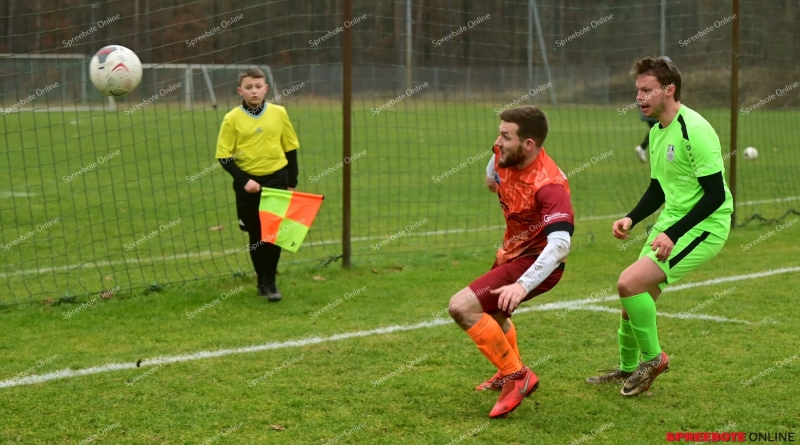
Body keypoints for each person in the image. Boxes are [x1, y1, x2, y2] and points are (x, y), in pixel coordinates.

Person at [586, 57, 733, 396]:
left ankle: (654, 360)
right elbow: (657, 188)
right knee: (633, 300)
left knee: (628, 283)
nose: (639, 97)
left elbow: (714, 196)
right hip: (671, 223)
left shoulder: (694, 130)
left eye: (647, 90)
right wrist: (631, 218)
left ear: (669, 90)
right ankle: (628, 369)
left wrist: (673, 234)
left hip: (704, 227)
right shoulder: (655, 132)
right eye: (638, 90)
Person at [449, 106, 574, 418]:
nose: (497, 142)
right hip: (511, 253)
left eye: (506, 136)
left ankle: (518, 376)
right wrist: (492, 175)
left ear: (528, 144)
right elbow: (494, 167)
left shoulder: (549, 185)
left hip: (537, 261)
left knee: (461, 307)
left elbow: (560, 244)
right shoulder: (504, 154)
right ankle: (508, 372)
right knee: (493, 313)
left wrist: (522, 285)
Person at [215, 68, 300, 302]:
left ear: (265, 89)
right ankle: (261, 282)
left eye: (258, 86)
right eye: (249, 87)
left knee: (274, 232)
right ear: (240, 91)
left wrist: (292, 181)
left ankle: (270, 283)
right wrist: (244, 181)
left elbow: (290, 147)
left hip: (276, 178)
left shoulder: (279, 113)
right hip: (248, 182)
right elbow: (224, 156)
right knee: (255, 233)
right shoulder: (232, 118)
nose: (254, 91)